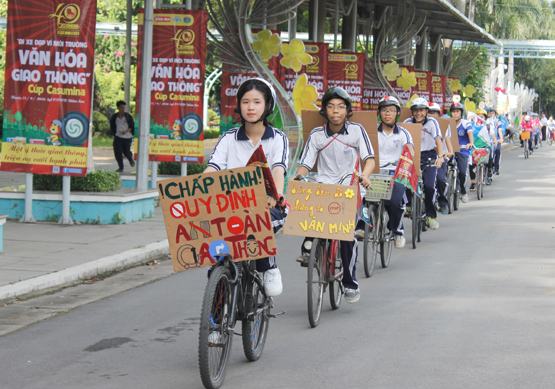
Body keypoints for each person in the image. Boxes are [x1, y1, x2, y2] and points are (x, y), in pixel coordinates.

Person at [204, 78, 289, 297]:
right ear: (239, 105)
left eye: (257, 102)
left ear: (267, 106)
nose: (250, 107)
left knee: (261, 222)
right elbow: (213, 168)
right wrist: (198, 189)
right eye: (245, 101)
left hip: (267, 205)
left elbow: (279, 169)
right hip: (230, 206)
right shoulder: (228, 138)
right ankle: (215, 324)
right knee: (219, 264)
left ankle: (268, 266)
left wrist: (276, 195)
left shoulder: (278, 138)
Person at [296, 87, 375, 303]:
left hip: (350, 184)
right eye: (331, 107)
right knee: (310, 213)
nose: (335, 111)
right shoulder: (317, 135)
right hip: (324, 184)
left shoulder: (357, 131)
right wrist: (299, 176)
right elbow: (306, 162)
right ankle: (310, 247)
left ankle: (350, 282)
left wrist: (365, 175)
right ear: (325, 110)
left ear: (347, 110)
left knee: (346, 236)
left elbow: (369, 159)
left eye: (340, 107)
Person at [375, 95, 413, 248]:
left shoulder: (404, 133)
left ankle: (397, 229)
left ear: (397, 113)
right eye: (384, 110)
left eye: (391, 110)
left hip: (397, 173)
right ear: (380, 113)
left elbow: (411, 152)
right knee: (365, 200)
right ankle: (364, 226)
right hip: (376, 172)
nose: (387, 113)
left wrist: (408, 155)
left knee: (395, 202)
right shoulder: (372, 132)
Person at [403, 97, 444, 230]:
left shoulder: (432, 122)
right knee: (405, 182)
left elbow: (438, 139)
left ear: (426, 111)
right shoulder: (407, 122)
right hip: (412, 155)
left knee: (429, 186)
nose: (418, 113)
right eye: (415, 110)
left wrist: (441, 156)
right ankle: (409, 205)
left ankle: (430, 216)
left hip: (428, 156)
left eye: (421, 110)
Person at [429, 102, 453, 214]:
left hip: (440, 158)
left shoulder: (443, 127)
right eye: (429, 112)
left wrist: (445, 154)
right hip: (423, 159)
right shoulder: (419, 127)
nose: (431, 114)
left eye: (434, 112)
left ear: (439, 115)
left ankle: (442, 200)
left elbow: (450, 148)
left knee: (440, 179)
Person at [450, 102, 474, 203]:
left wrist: (470, 143)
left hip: (463, 150)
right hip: (450, 150)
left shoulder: (465, 123)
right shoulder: (448, 123)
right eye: (453, 112)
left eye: (457, 111)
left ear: (461, 113)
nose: (455, 114)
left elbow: (470, 133)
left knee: (462, 173)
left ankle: (463, 191)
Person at [109, 100, 136, 173]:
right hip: (118, 137)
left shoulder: (128, 116)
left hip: (127, 137)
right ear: (118, 107)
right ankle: (121, 167)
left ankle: (130, 160)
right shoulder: (114, 117)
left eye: (124, 107)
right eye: (121, 107)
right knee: (118, 152)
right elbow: (112, 126)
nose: (123, 109)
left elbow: (132, 127)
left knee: (126, 152)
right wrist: (114, 134)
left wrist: (126, 131)